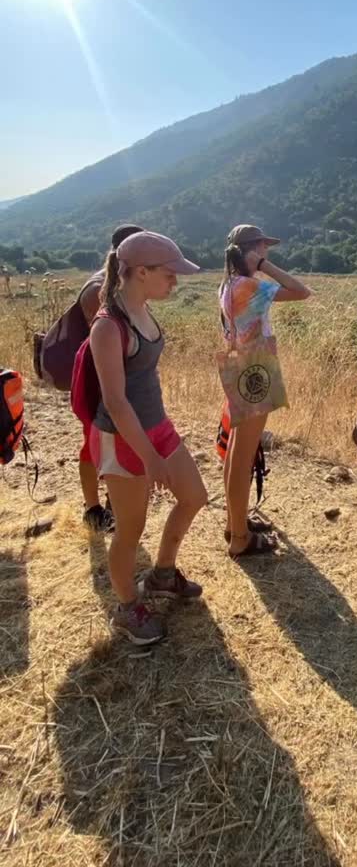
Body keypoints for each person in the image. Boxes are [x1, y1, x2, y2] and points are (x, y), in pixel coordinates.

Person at [89, 230, 207, 645]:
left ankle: (161, 576)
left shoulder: (143, 310)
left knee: (194, 496)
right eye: (169, 273)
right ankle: (127, 609)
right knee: (130, 529)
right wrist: (150, 457)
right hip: (122, 437)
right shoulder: (107, 327)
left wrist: (159, 443)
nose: (175, 280)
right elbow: (117, 404)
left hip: (157, 426)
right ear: (141, 272)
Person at [219, 224, 311, 557]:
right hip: (255, 368)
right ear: (252, 251)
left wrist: (257, 265)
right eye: (263, 248)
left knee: (236, 451)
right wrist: (264, 267)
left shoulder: (229, 284)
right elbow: (301, 291)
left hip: (242, 366)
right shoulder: (248, 285)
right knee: (243, 455)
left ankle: (235, 522)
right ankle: (239, 538)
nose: (268, 252)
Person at [78, 223, 143, 531]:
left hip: (112, 376)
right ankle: (94, 509)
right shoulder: (99, 289)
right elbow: (106, 340)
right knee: (92, 443)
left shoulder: (118, 284)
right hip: (96, 379)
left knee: (106, 441)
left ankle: (108, 503)